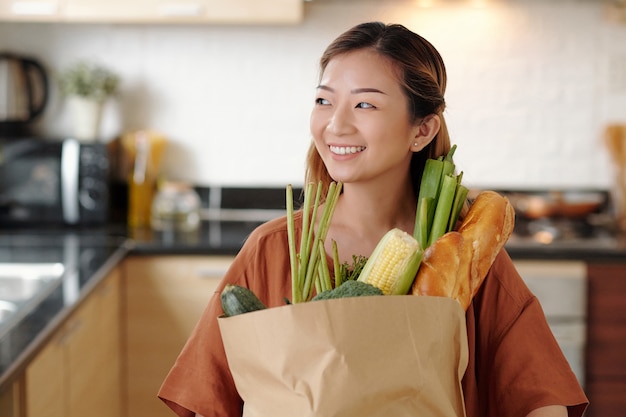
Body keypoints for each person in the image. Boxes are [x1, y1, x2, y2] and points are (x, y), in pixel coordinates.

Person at [158, 21, 589, 417]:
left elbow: (540, 394)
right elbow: (205, 398)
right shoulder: (275, 248)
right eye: (324, 100)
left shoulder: (463, 255)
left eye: (364, 104)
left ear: (422, 130)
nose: (335, 125)